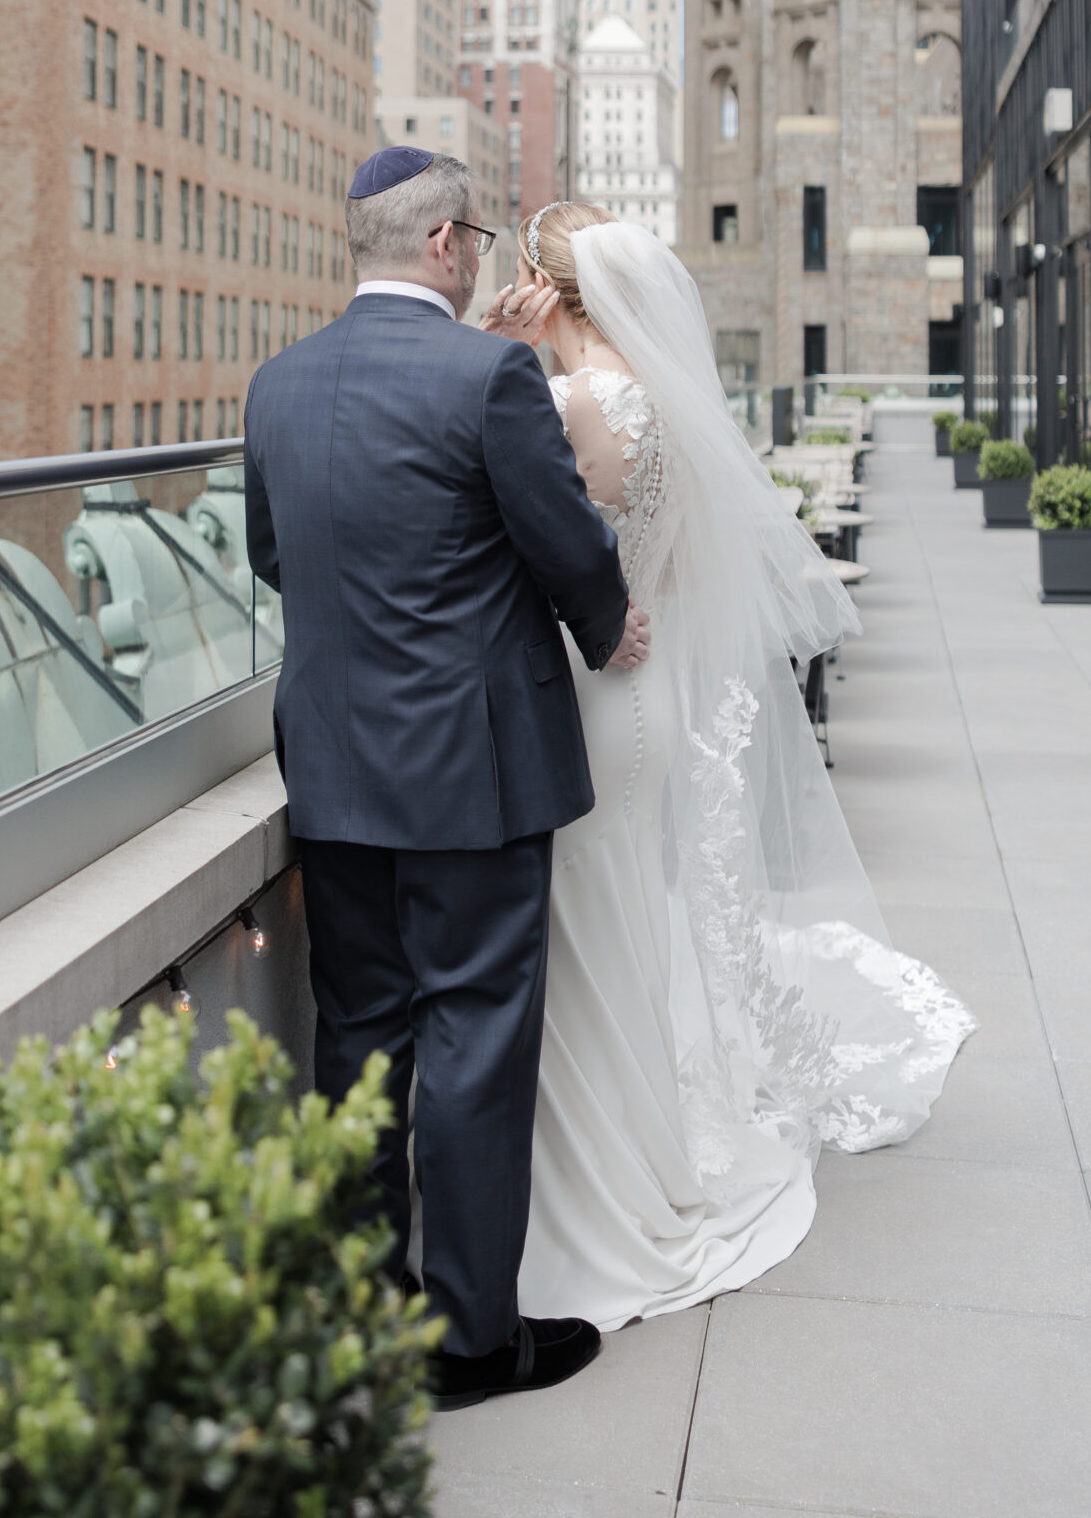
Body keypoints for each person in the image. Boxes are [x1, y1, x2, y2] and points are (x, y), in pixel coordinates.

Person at [484, 201, 977, 1330]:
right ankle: (632, 1143)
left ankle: (601, 1182)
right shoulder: (645, 397)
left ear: (545, 291)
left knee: (582, 946)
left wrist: (505, 360)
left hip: (590, 699)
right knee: (612, 931)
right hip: (638, 688)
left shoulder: (569, 400)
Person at [243, 147, 650, 1411]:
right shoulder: (487, 375)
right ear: (439, 244)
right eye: (473, 235)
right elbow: (564, 537)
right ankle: (473, 1339)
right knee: (477, 1035)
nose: (479, 255)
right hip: (472, 772)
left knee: (359, 1036)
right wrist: (606, 624)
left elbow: (273, 556)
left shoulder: (277, 383)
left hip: (335, 764)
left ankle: (369, 1307)